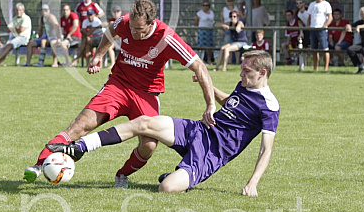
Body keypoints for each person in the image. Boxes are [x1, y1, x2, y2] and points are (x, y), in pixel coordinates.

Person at [26, 0, 216, 189]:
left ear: (152, 23)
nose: (133, 32)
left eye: (139, 29)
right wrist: (99, 56)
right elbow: (110, 32)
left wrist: (210, 105)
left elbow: (199, 66)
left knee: (149, 146)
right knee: (80, 126)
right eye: (131, 27)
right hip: (118, 85)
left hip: (146, 95)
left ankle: (122, 174)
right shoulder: (124, 22)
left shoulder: (166, 37)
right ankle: (40, 164)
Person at [48, 50, 279, 195]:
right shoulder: (245, 85)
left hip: (211, 153)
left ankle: (175, 177)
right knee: (145, 122)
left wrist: (253, 183)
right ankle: (80, 147)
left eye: (246, 71)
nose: (241, 75)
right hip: (199, 129)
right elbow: (232, 103)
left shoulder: (269, 106)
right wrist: (207, 85)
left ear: (263, 73)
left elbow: (266, 150)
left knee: (166, 188)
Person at [307, 0, 333, 71]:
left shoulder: (326, 4)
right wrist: (308, 26)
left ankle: (326, 67)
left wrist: (324, 26)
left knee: (325, 48)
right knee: (314, 49)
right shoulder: (312, 4)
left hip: (322, 30)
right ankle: (316, 67)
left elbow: (330, 17)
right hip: (313, 29)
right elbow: (309, 17)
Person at [196, 0, 216, 64]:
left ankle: (209, 60)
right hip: (202, 31)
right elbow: (196, 22)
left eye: (207, 5)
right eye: (204, 5)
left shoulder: (211, 13)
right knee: (201, 46)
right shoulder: (199, 13)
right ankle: (199, 60)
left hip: (210, 31)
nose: (205, 7)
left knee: (209, 47)